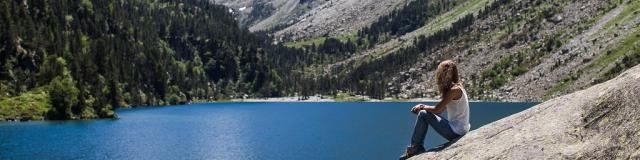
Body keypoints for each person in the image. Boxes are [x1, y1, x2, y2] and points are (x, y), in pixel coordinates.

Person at [399, 60, 470, 160]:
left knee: (423, 114)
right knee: (424, 113)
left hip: (456, 132)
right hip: (461, 129)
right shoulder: (458, 87)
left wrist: (422, 107)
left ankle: (416, 148)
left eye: (440, 71)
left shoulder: (454, 90)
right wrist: (424, 106)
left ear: (445, 73)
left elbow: (438, 110)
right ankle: (416, 147)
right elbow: (441, 108)